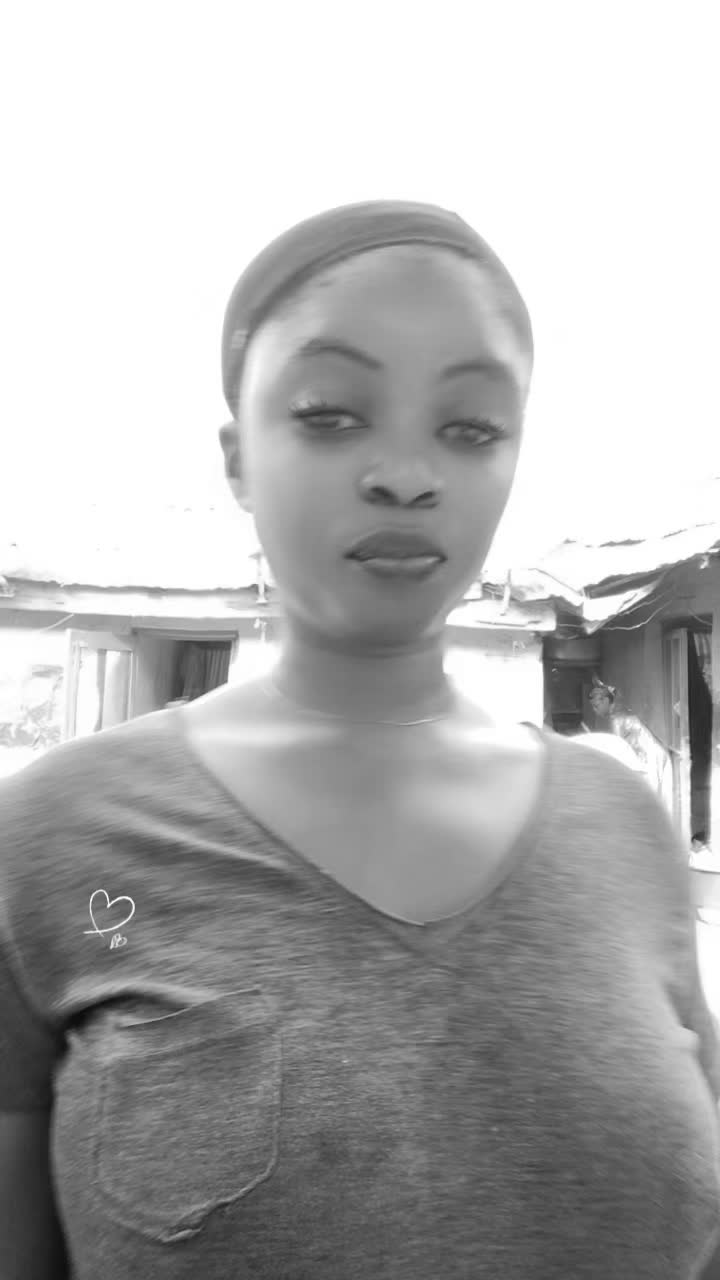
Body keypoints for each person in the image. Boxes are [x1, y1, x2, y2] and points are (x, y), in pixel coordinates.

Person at [1, 201, 719, 1280]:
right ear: (238, 458)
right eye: (331, 413)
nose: (406, 473)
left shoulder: (621, 827)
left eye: (470, 427)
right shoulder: (54, 840)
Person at [589, 675, 675, 809]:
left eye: (596, 706)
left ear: (605, 700)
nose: (595, 711)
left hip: (651, 760)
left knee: (650, 805)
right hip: (652, 758)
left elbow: (619, 753)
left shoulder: (618, 719)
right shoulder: (621, 712)